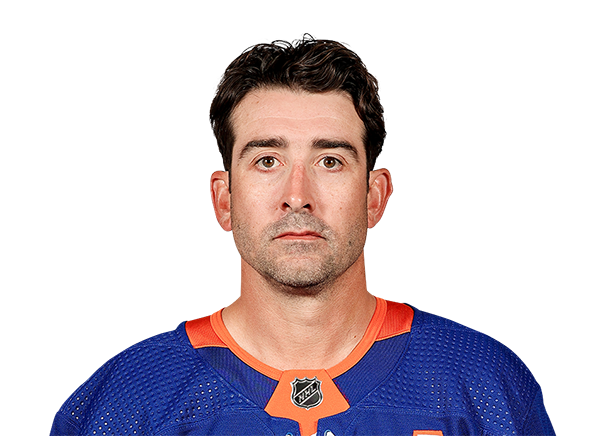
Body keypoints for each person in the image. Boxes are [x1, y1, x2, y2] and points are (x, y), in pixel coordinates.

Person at [51, 38, 555, 436]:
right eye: (267, 161)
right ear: (224, 199)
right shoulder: (131, 399)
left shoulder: (482, 384)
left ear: (374, 197)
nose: (298, 195)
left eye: (330, 161)